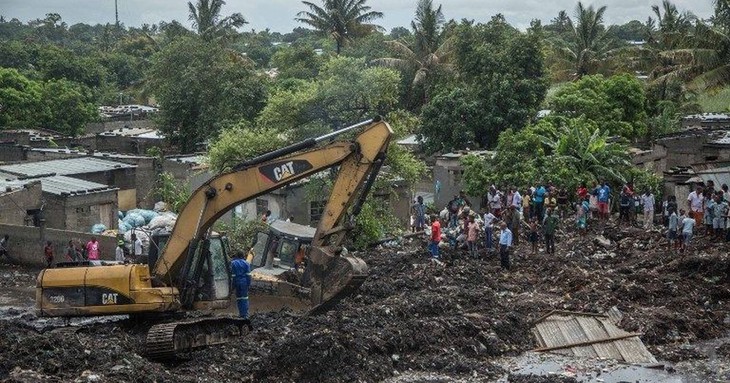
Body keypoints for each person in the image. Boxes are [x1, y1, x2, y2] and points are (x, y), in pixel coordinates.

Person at [230, 250, 253, 329]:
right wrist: (248, 284)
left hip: (236, 282)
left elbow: (232, 274)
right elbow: (248, 275)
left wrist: (232, 286)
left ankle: (241, 314)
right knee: (244, 299)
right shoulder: (246, 263)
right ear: (243, 256)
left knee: (239, 298)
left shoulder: (233, 263)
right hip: (244, 283)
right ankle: (244, 315)